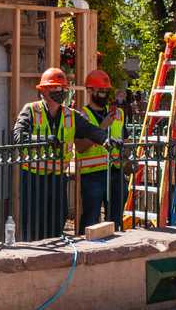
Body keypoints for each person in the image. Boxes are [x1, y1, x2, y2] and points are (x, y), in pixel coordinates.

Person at [12, 68, 114, 241]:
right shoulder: (31, 110)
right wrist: (43, 139)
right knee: (34, 223)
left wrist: (106, 139)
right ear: (43, 90)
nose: (60, 92)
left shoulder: (71, 115)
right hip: (33, 178)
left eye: (62, 89)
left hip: (58, 178)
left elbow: (91, 130)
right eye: (55, 88)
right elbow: (18, 137)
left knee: (58, 219)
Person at [75, 68, 127, 231]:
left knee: (116, 220)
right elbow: (80, 147)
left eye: (106, 90)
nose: (104, 93)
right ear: (90, 90)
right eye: (100, 90)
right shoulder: (82, 115)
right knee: (91, 220)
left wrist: (129, 160)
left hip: (116, 173)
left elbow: (125, 139)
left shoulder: (118, 113)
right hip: (92, 175)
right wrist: (102, 128)